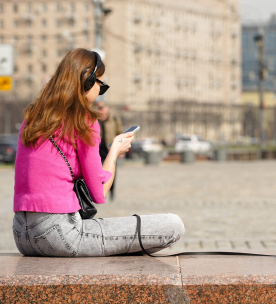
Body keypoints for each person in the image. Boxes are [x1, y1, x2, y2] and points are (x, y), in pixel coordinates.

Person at [12, 49, 184, 257]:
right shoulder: (84, 120)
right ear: (87, 81)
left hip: (22, 236)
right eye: (100, 85)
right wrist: (114, 153)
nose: (99, 92)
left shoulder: (32, 119)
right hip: (61, 235)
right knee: (172, 225)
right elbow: (99, 192)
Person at [97, 101, 122, 201]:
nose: (101, 110)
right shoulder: (95, 120)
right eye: (99, 108)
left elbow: (119, 133)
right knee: (98, 173)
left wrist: (119, 149)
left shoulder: (114, 120)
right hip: (98, 150)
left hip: (109, 149)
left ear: (107, 108)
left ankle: (112, 192)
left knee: (112, 172)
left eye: (102, 108)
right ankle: (101, 192)